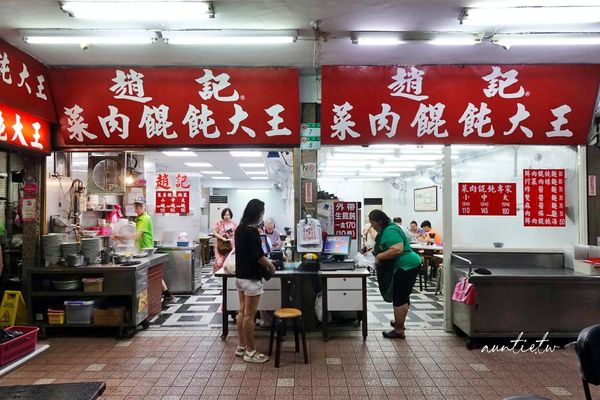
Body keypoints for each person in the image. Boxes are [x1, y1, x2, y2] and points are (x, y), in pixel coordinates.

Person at [234, 199, 276, 363]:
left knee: (242, 312)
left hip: (240, 277)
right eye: (262, 213)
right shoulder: (252, 231)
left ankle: (241, 346)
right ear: (257, 213)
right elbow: (258, 256)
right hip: (251, 279)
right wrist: (271, 266)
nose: (262, 217)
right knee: (249, 316)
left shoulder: (239, 229)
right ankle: (251, 351)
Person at [369, 209, 421, 339]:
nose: (372, 226)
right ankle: (399, 322)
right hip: (407, 265)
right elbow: (385, 247)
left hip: (405, 266)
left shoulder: (390, 230)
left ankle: (398, 330)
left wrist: (380, 256)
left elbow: (397, 249)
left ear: (380, 221)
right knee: (403, 296)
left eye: (373, 223)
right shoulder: (388, 229)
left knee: (399, 298)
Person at [213, 208, 237, 273]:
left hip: (231, 245)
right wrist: (222, 238)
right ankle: (220, 275)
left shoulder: (234, 223)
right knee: (219, 261)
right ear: (222, 215)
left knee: (230, 260)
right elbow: (214, 232)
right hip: (221, 244)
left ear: (231, 215)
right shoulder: (219, 223)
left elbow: (237, 233)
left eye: (228, 215)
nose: (226, 216)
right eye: (225, 215)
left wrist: (233, 234)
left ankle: (229, 274)